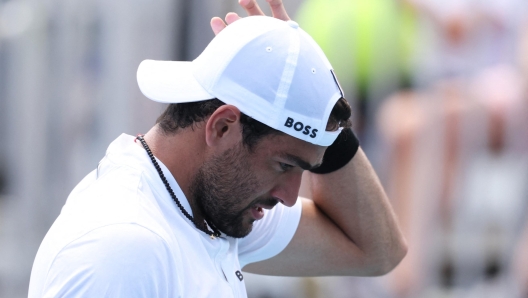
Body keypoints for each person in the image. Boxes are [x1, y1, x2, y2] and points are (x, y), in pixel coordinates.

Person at [28, 0, 407, 297]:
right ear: (222, 126)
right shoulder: (125, 247)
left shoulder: (202, 207)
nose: (291, 197)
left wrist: (316, 108)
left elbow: (376, 250)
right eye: (284, 165)